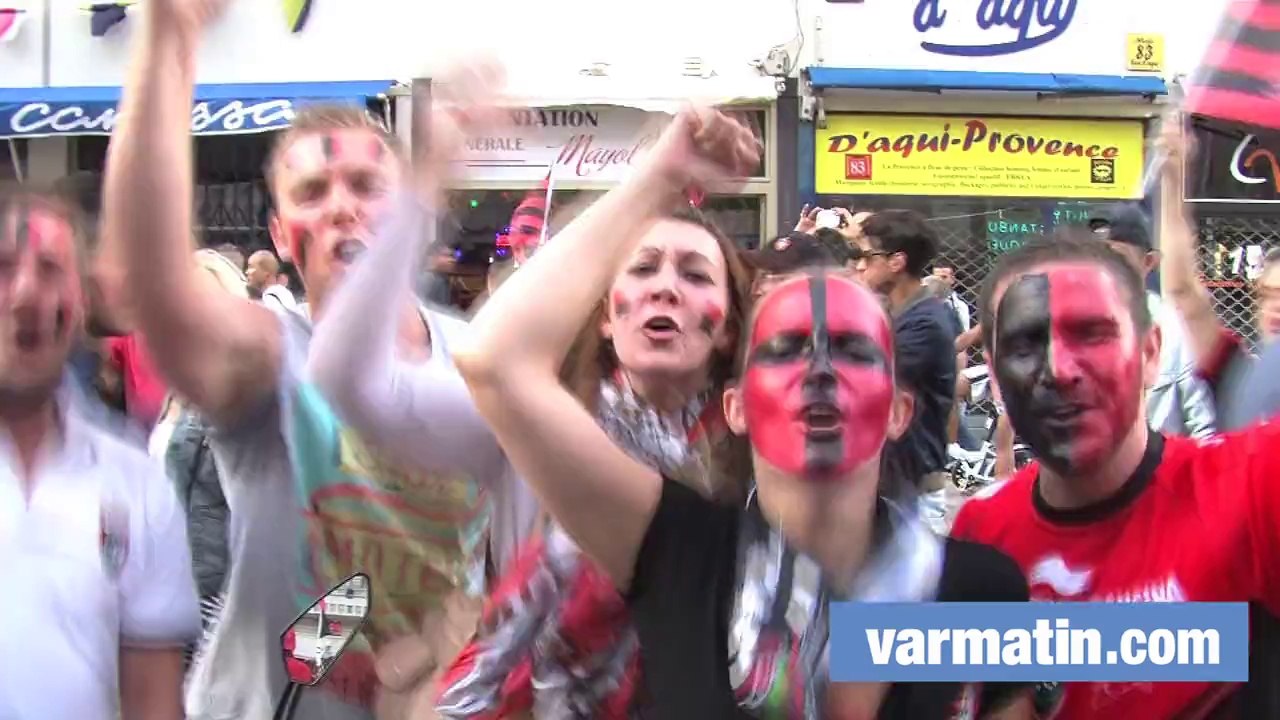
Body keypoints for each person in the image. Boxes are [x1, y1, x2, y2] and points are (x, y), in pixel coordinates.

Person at [451, 107, 1033, 719]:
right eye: (785, 350)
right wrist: (659, 176)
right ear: (737, 405)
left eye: (855, 350)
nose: (821, 370)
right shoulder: (679, 553)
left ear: (898, 409)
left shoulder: (978, 590)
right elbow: (493, 361)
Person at [98, 3, 512, 716]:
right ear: (282, 237)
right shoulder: (267, 354)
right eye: (314, 194)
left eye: (366, 186)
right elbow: (147, 284)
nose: (344, 209)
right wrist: (173, 33)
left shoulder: (475, 360)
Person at [951, 233, 1280, 718]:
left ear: (1150, 354)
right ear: (995, 379)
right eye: (1025, 343)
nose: (1059, 369)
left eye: (1091, 333)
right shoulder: (982, 534)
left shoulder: (1248, 483)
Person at [0, 185, 201, 719]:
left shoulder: (136, 484)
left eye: (49, 269)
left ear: (82, 301)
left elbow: (153, 702)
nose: (25, 294)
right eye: (2, 266)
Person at [854, 210, 959, 528]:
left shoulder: (924, 323)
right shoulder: (900, 315)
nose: (859, 265)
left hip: (913, 493)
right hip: (894, 486)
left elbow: (864, 381)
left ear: (896, 262)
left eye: (866, 256)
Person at [1086, 201, 1217, 439]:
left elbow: (1205, 429)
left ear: (1149, 263)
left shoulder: (1175, 331)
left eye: (1118, 257)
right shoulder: (1069, 328)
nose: (1106, 267)